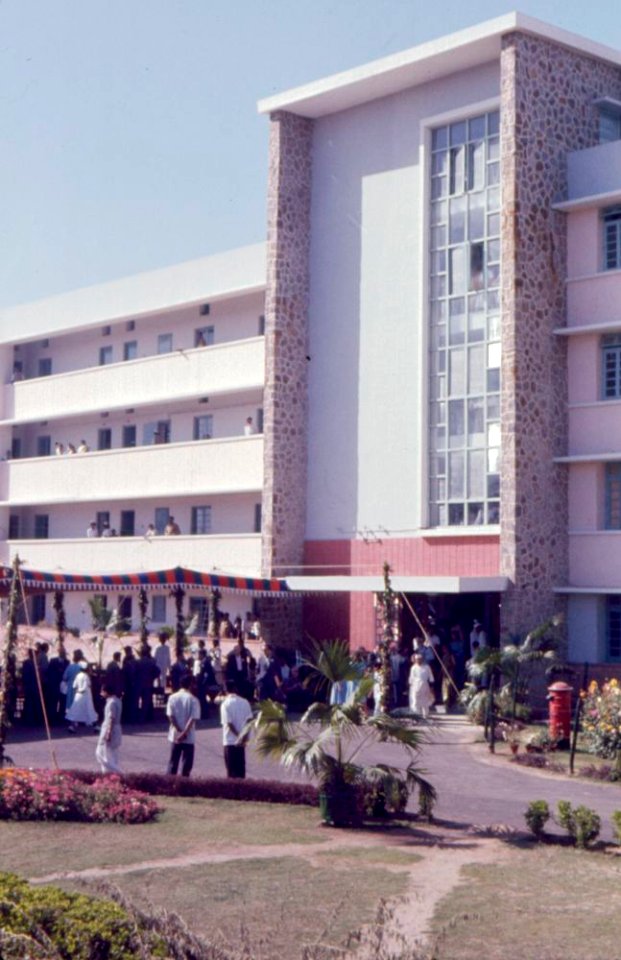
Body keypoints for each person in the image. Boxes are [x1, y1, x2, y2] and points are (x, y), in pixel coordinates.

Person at [166, 674, 200, 776]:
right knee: (187, 764)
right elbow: (192, 719)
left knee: (173, 762)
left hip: (175, 735)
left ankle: (170, 785)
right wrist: (184, 733)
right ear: (190, 685)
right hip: (188, 737)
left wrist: (179, 731)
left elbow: (170, 716)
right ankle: (184, 785)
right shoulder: (193, 700)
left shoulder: (172, 697)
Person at [220, 681, 253, 778]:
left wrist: (238, 736)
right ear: (235, 689)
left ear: (226, 690)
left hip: (230, 741)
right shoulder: (245, 702)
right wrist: (244, 736)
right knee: (241, 771)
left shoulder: (225, 704)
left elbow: (229, 724)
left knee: (231, 772)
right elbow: (249, 721)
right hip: (241, 743)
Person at [96, 683, 123, 773]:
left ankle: (118, 772)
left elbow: (111, 718)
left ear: (106, 692)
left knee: (101, 753)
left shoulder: (111, 703)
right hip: (116, 728)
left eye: (102, 691)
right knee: (112, 754)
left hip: (110, 728)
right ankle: (107, 775)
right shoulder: (118, 701)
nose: (101, 693)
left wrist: (108, 733)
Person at [66, 663, 98, 732]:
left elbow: (74, 686)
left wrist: (78, 691)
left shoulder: (77, 675)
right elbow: (85, 687)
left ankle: (72, 726)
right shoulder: (86, 676)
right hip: (86, 696)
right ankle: (95, 726)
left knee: (75, 710)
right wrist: (82, 690)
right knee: (90, 710)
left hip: (78, 695)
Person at [408, 653, 434, 719]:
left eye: (420, 659)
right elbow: (411, 678)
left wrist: (432, 687)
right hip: (416, 686)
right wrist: (411, 685)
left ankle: (425, 716)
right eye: (417, 659)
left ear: (422, 660)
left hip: (425, 686)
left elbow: (431, 677)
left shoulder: (427, 667)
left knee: (425, 701)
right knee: (416, 701)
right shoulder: (413, 668)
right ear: (415, 660)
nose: (419, 661)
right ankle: (417, 716)